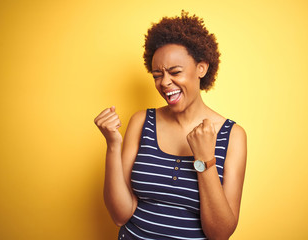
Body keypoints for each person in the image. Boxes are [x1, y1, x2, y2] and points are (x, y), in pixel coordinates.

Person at [94, 11, 247, 240]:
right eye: (157, 75)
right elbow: (120, 216)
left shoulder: (232, 135)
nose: (165, 83)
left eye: (175, 72)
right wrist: (113, 146)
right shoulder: (142, 121)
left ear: (201, 69)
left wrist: (205, 160)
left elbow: (220, 234)